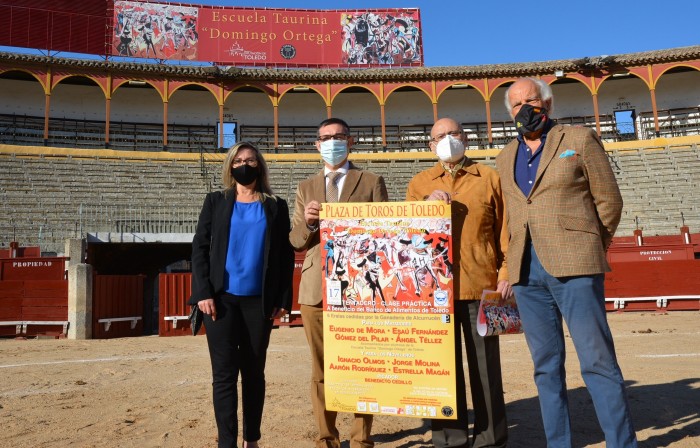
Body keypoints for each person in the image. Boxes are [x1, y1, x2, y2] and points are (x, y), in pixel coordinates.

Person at [496, 77, 637, 448]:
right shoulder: (504, 156)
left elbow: (609, 200)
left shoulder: (577, 139)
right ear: (508, 113)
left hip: (575, 265)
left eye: (531, 100)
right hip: (526, 270)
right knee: (545, 366)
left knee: (597, 360)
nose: (524, 109)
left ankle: (622, 444)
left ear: (548, 104)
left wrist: (591, 245)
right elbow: (514, 214)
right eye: (516, 105)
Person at [406, 118, 510, 448]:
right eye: (440, 136)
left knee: (486, 368)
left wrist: (506, 276)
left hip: (483, 284)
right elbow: (405, 236)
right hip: (434, 291)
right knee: (442, 368)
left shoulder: (489, 177)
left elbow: (505, 232)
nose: (448, 140)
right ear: (430, 145)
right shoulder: (419, 183)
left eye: (453, 134)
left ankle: (490, 438)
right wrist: (423, 209)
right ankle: (449, 439)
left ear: (464, 137)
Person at [290, 118, 388, 448]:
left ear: (351, 140)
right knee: (320, 367)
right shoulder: (306, 188)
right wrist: (307, 222)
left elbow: (385, 236)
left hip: (360, 287)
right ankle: (325, 438)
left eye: (338, 136)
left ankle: (361, 439)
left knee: (361, 364)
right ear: (317, 145)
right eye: (325, 138)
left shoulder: (372, 181)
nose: (332, 142)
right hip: (316, 289)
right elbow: (296, 241)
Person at [189, 142, 294, 448]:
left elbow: (284, 257)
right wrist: (203, 292)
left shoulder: (276, 205)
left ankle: (252, 439)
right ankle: (226, 442)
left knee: (253, 373)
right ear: (230, 166)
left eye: (250, 160)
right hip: (220, 299)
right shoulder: (216, 201)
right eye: (238, 161)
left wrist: (282, 299)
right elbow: (199, 248)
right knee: (223, 374)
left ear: (259, 165)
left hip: (258, 301)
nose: (244, 165)